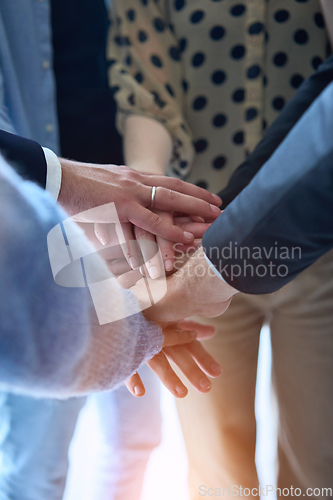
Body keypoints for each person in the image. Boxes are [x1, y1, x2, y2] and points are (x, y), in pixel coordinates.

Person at [108, 1, 333, 498]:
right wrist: (152, 205)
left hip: (319, 246)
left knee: (320, 459)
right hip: (187, 242)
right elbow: (146, 87)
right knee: (218, 467)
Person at [0, 2, 222, 499]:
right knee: (41, 450)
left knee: (137, 435)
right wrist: (61, 179)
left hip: (126, 217)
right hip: (45, 221)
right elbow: (30, 323)